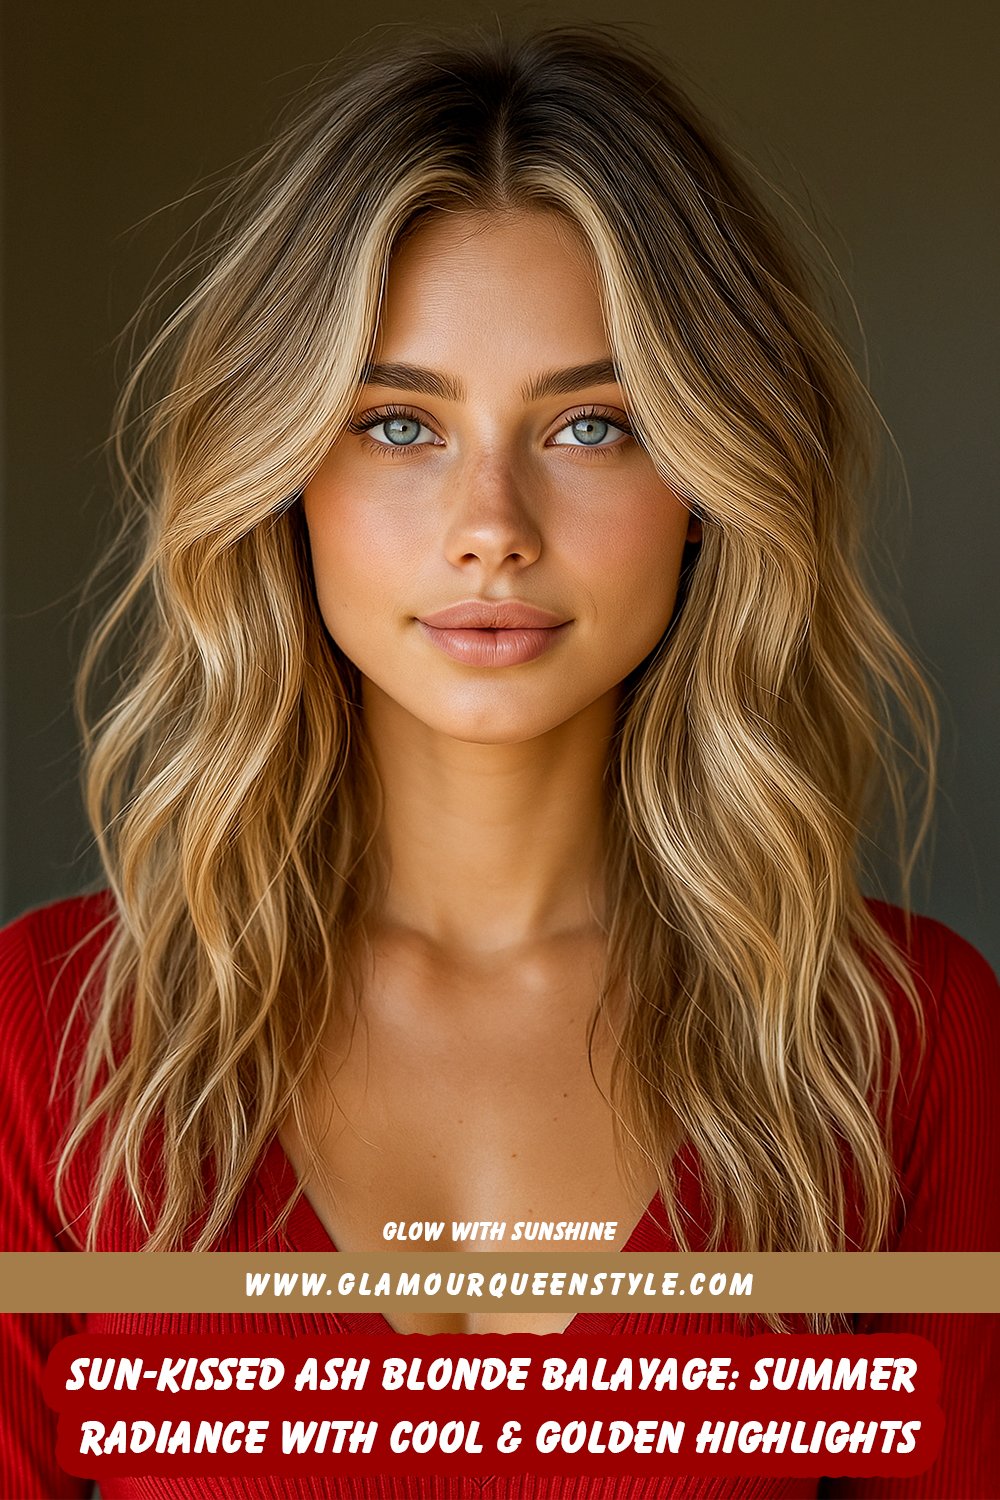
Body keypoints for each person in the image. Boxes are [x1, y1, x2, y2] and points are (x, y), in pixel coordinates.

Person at [0, 22, 997, 1499]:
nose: (492, 523)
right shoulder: (47, 1047)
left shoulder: (900, 1052)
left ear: (710, 487)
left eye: (593, 424)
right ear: (284, 479)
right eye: (399, 423)